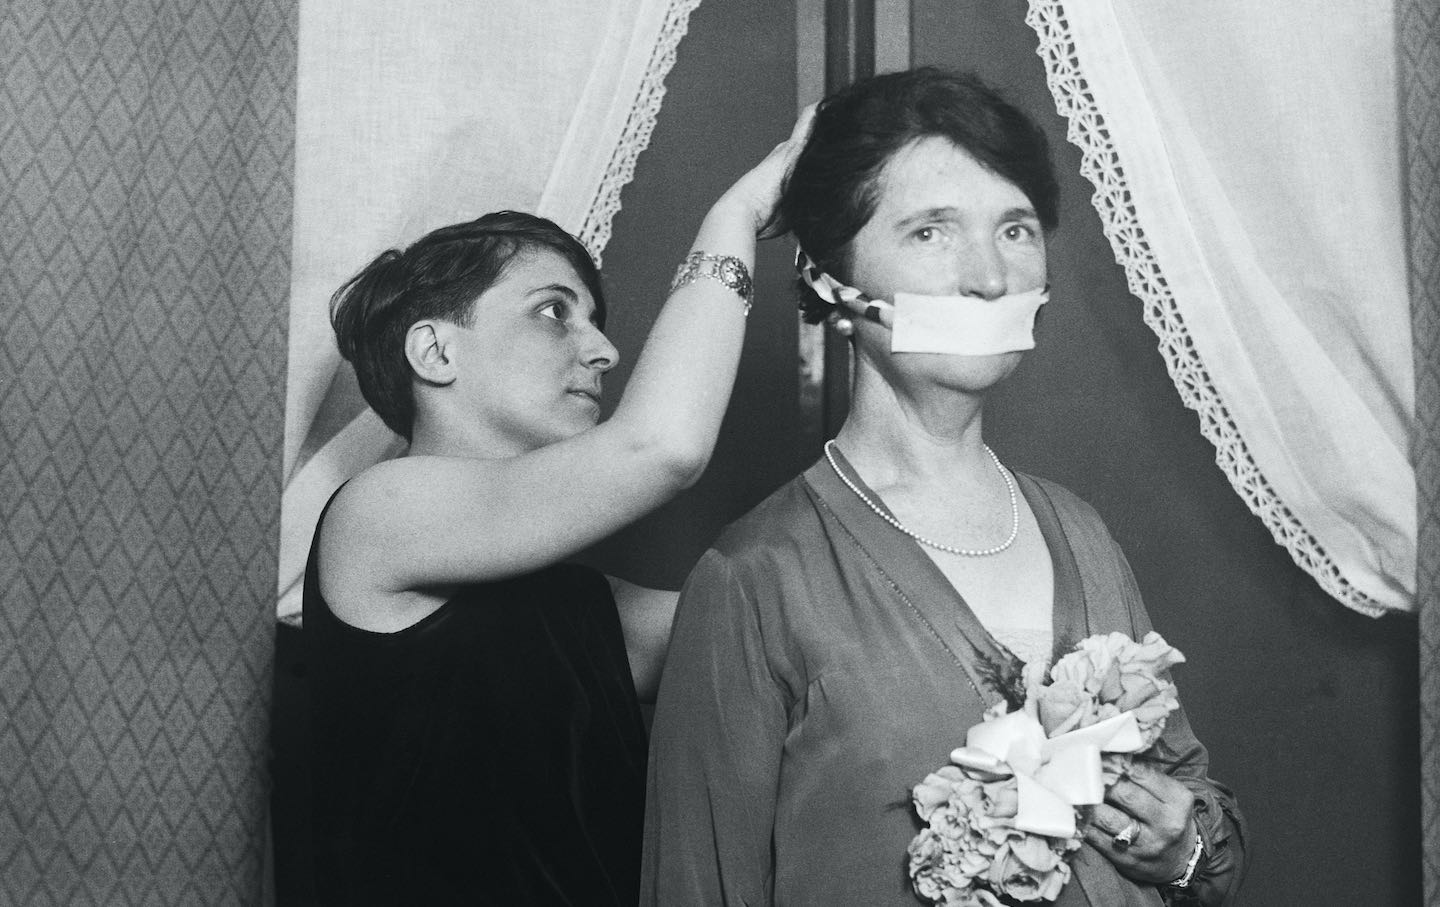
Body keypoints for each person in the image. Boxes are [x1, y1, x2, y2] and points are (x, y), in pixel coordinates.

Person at [641, 68, 1246, 906]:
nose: (990, 278)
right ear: (831, 275)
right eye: (931, 231)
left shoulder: (1081, 531)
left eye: (1015, 229)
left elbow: (1201, 821)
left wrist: (1185, 843)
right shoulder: (756, 578)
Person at [302, 108, 812, 905]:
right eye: (553, 312)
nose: (603, 350)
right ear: (435, 351)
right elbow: (661, 446)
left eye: (594, 322)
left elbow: (778, 623)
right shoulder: (374, 514)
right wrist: (737, 214)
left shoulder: (584, 607)